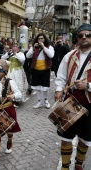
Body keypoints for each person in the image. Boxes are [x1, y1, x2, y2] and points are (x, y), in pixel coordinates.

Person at [54, 24, 91, 170]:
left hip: (89, 105)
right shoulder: (69, 56)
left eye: (88, 35)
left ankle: (79, 164)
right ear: (77, 38)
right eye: (81, 35)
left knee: (85, 140)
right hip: (70, 102)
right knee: (65, 138)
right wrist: (58, 90)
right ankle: (65, 166)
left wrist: (88, 86)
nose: (84, 37)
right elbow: (61, 76)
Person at [0, 59, 21, 162]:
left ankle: (9, 142)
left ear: (5, 71)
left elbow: (19, 94)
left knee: (9, 129)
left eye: (0, 70)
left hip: (8, 108)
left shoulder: (10, 81)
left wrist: (13, 95)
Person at [26, 33, 55, 109]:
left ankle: (46, 100)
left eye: (42, 38)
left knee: (45, 87)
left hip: (45, 69)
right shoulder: (34, 47)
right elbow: (27, 56)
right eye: (39, 39)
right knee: (37, 87)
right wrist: (32, 49)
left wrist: (44, 47)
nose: (40, 40)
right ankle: (39, 101)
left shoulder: (49, 47)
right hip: (36, 69)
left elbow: (51, 55)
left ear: (44, 39)